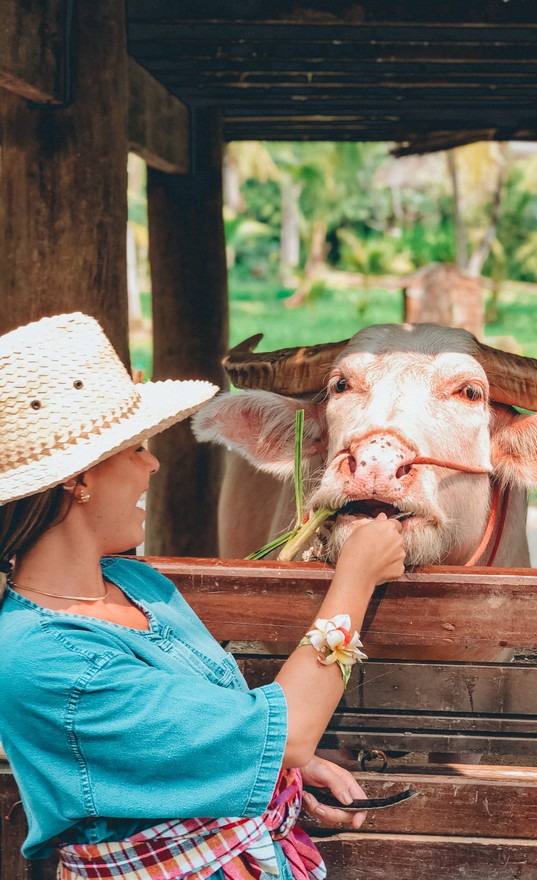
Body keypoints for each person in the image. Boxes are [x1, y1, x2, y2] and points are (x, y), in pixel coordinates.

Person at [0, 312, 405, 880]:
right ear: (79, 478)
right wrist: (356, 578)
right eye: (137, 447)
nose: (153, 463)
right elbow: (287, 733)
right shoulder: (45, 661)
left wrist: (269, 772)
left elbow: (207, 729)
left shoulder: (138, 585)